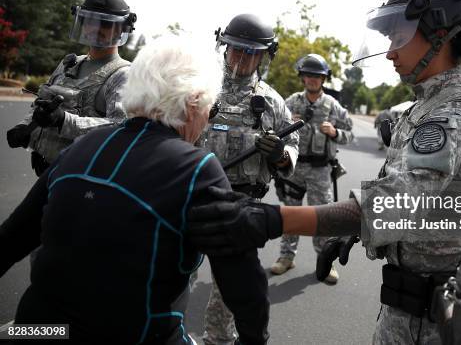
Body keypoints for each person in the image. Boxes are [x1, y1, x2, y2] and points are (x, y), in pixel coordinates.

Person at [187, 0, 461, 345]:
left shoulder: (450, 116)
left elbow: (393, 202)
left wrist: (269, 218)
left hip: (429, 317)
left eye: (398, 39)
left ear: (437, 35)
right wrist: (347, 233)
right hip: (408, 302)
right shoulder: (425, 108)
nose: (391, 53)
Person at [0, 35, 271, 345]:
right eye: (210, 110)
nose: (206, 123)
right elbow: (243, 282)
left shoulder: (80, 147)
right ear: (195, 102)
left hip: (36, 329)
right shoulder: (197, 169)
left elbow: (10, 239)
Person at [198, 13, 299, 345]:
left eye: (250, 52)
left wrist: (278, 153)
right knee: (172, 270)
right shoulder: (199, 86)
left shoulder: (271, 101)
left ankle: (218, 340)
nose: (240, 58)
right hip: (191, 194)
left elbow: (290, 152)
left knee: (227, 289)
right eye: (235, 49)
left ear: (263, 56)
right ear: (224, 48)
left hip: (239, 203)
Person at [6, 0, 136, 176]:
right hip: (46, 171)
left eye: (105, 23)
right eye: (89, 21)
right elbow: (43, 102)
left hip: (82, 177)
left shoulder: (123, 74)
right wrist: (26, 126)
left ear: (121, 30)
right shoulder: (70, 63)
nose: (95, 28)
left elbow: (120, 127)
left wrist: (64, 120)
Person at [271, 54, 353, 283]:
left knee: (323, 218)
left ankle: (326, 261)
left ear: (324, 79)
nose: (312, 80)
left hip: (320, 171)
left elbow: (350, 134)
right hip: (295, 168)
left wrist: (335, 133)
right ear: (302, 77)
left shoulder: (333, 106)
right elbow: (274, 130)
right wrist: (288, 124)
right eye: (308, 75)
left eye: (317, 76)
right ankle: (286, 257)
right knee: (291, 214)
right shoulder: (291, 102)